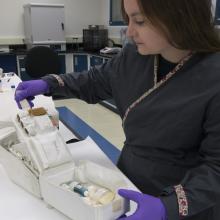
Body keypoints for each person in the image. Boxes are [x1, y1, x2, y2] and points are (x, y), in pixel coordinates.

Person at [15, 0, 220, 219]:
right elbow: (94, 80)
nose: (130, 32)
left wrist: (168, 207)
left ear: (180, 16)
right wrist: (51, 83)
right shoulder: (135, 55)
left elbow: (216, 168)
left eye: (140, 21)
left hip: (185, 199)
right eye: (128, 19)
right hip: (128, 179)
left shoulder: (212, 76)